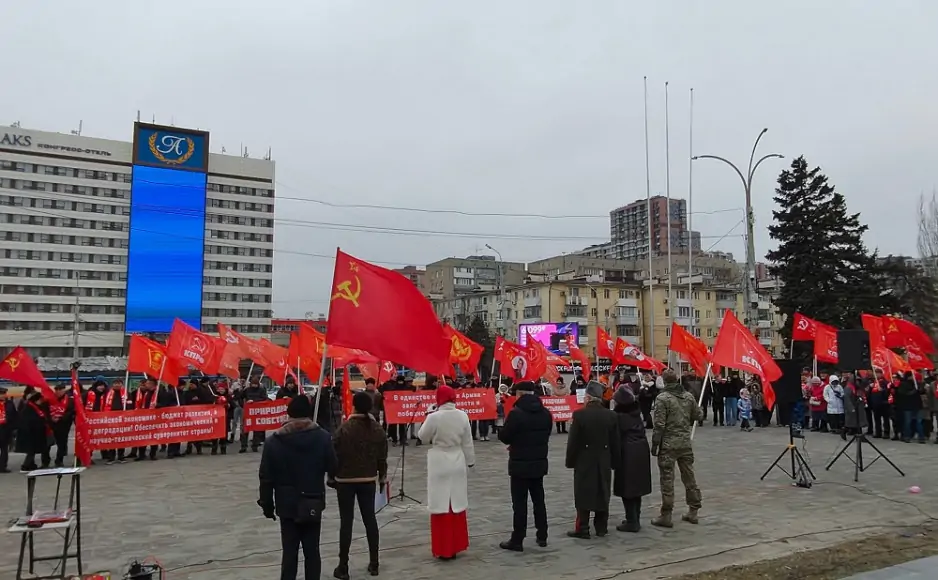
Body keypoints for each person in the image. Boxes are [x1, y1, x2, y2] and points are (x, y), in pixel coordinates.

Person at [258, 395, 336, 580]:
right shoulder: (322, 437)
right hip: (312, 499)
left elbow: (266, 478)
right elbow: (333, 466)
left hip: (286, 504)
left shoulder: (274, 441)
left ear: (289, 413)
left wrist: (267, 505)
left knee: (289, 553)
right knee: (312, 552)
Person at [330, 391, 388, 578]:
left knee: (346, 522)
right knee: (370, 519)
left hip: (345, 480)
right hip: (368, 479)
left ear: (353, 405)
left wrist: (331, 476)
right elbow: (382, 457)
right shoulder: (377, 429)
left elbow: (333, 455)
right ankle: (374, 562)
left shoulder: (343, 429)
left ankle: (343, 566)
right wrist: (382, 477)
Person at [417, 385, 476, 560]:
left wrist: (428, 415)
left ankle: (443, 548)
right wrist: (471, 462)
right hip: (457, 459)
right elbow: (468, 442)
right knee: (456, 503)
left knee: (441, 505)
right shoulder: (463, 415)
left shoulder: (434, 417)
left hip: (439, 461)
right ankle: (457, 545)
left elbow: (422, 436)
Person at [497, 381, 553, 552]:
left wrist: (504, 431)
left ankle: (518, 539)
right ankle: (542, 535)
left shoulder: (516, 413)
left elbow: (506, 436)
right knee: (539, 500)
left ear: (520, 394)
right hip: (539, 461)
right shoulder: (545, 413)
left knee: (520, 503)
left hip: (520, 463)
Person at [565, 380, 620, 539]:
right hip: (604, 459)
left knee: (583, 492)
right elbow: (615, 442)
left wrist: (570, 461)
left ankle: (583, 528)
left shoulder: (580, 415)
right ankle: (601, 527)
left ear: (588, 398)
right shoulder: (611, 415)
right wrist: (616, 462)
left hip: (584, 459)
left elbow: (573, 442)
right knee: (603, 492)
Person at [651, 369, 703, 528]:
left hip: (668, 445)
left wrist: (655, 444)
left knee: (667, 479)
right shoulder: (688, 396)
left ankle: (666, 514)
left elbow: (659, 425)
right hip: (685, 443)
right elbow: (698, 416)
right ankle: (693, 510)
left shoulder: (662, 398)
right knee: (689, 476)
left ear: (665, 382)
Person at [611, 385, 652, 533]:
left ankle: (632, 521)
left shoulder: (619, 417)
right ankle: (635, 517)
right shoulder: (636, 414)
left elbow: (614, 437)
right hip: (640, 451)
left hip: (627, 452)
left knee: (627, 488)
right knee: (637, 487)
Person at [16, 389, 52, 472]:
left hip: (35, 433)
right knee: (31, 451)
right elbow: (31, 421)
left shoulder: (35, 407)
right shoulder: (28, 409)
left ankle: (31, 465)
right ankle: (25, 466)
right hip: (29, 433)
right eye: (39, 400)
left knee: (33, 450)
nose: (41, 401)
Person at [240, 377, 269, 452]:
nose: (254, 386)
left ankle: (255, 445)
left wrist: (255, 401)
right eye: (253, 384)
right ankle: (243, 446)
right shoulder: (247, 390)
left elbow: (265, 399)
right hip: (248, 411)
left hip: (257, 412)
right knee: (245, 429)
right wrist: (243, 404)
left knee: (257, 430)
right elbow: (240, 397)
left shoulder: (261, 390)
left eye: (256, 384)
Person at [51, 382, 75, 467]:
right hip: (52, 423)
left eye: (60, 389)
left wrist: (60, 418)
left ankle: (59, 460)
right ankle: (45, 461)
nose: (58, 391)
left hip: (64, 424)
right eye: (56, 389)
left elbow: (71, 411)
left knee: (62, 443)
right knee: (48, 443)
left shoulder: (70, 400)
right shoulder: (51, 399)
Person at [0, 386, 17, 473]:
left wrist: (14, 428)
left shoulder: (9, 403)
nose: (3, 395)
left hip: (6, 429)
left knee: (4, 449)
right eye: (1, 394)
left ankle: (2, 466)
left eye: (4, 393)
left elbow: (14, 415)